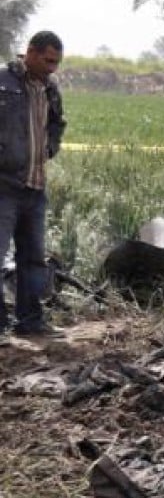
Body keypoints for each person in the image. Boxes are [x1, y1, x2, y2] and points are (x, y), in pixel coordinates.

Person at [0, 31, 67, 340]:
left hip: (35, 186)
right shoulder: (4, 81)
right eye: (48, 60)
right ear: (30, 52)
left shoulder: (51, 88)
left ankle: (30, 321)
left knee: (33, 259)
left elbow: (57, 124)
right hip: (4, 185)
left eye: (56, 62)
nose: (52, 68)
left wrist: (49, 147)